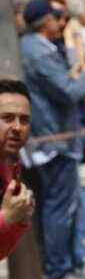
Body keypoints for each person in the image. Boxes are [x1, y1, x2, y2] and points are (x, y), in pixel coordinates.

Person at [20, 0, 85, 279]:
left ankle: (64, 263)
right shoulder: (38, 51)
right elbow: (68, 91)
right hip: (54, 141)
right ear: (45, 22)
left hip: (50, 139)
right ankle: (59, 268)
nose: (60, 22)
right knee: (59, 206)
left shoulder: (35, 48)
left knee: (56, 205)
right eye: (55, 18)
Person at [0, 79, 35, 260]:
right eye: (7, 118)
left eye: (24, 120)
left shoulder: (10, 161)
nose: (17, 127)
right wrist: (6, 218)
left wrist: (19, 220)